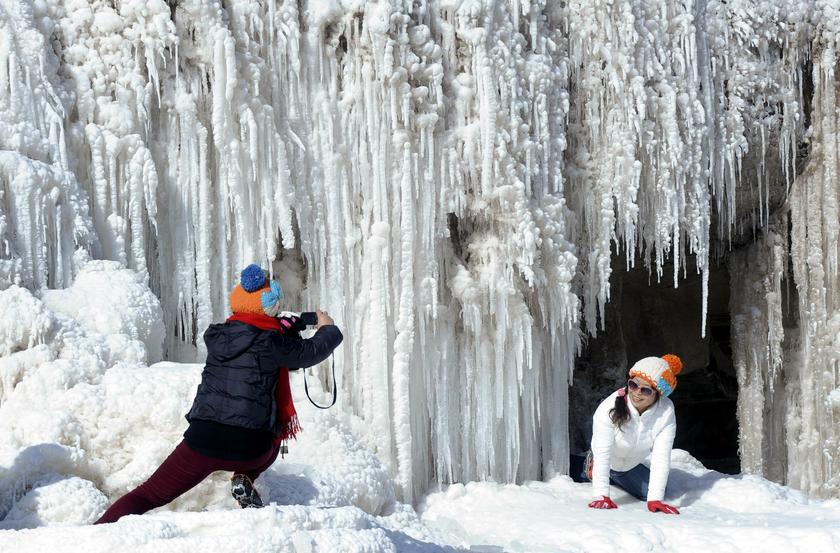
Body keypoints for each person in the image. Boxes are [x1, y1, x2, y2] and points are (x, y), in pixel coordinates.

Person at [96, 264, 343, 523]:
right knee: (274, 440)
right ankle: (244, 476)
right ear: (270, 305)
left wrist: (291, 325)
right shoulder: (272, 342)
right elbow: (304, 353)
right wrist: (327, 328)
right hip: (250, 448)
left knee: (149, 494)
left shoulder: (219, 337)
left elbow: (260, 342)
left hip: (202, 441)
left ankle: (96, 532)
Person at [570, 354, 683, 515]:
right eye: (633, 384)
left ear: (658, 394)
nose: (637, 392)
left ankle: (608, 476)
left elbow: (661, 457)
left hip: (629, 466)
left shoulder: (666, 412)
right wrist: (601, 495)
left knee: (653, 492)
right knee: (570, 467)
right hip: (606, 459)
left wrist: (655, 499)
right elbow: (603, 454)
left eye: (645, 389)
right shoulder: (609, 408)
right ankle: (587, 466)